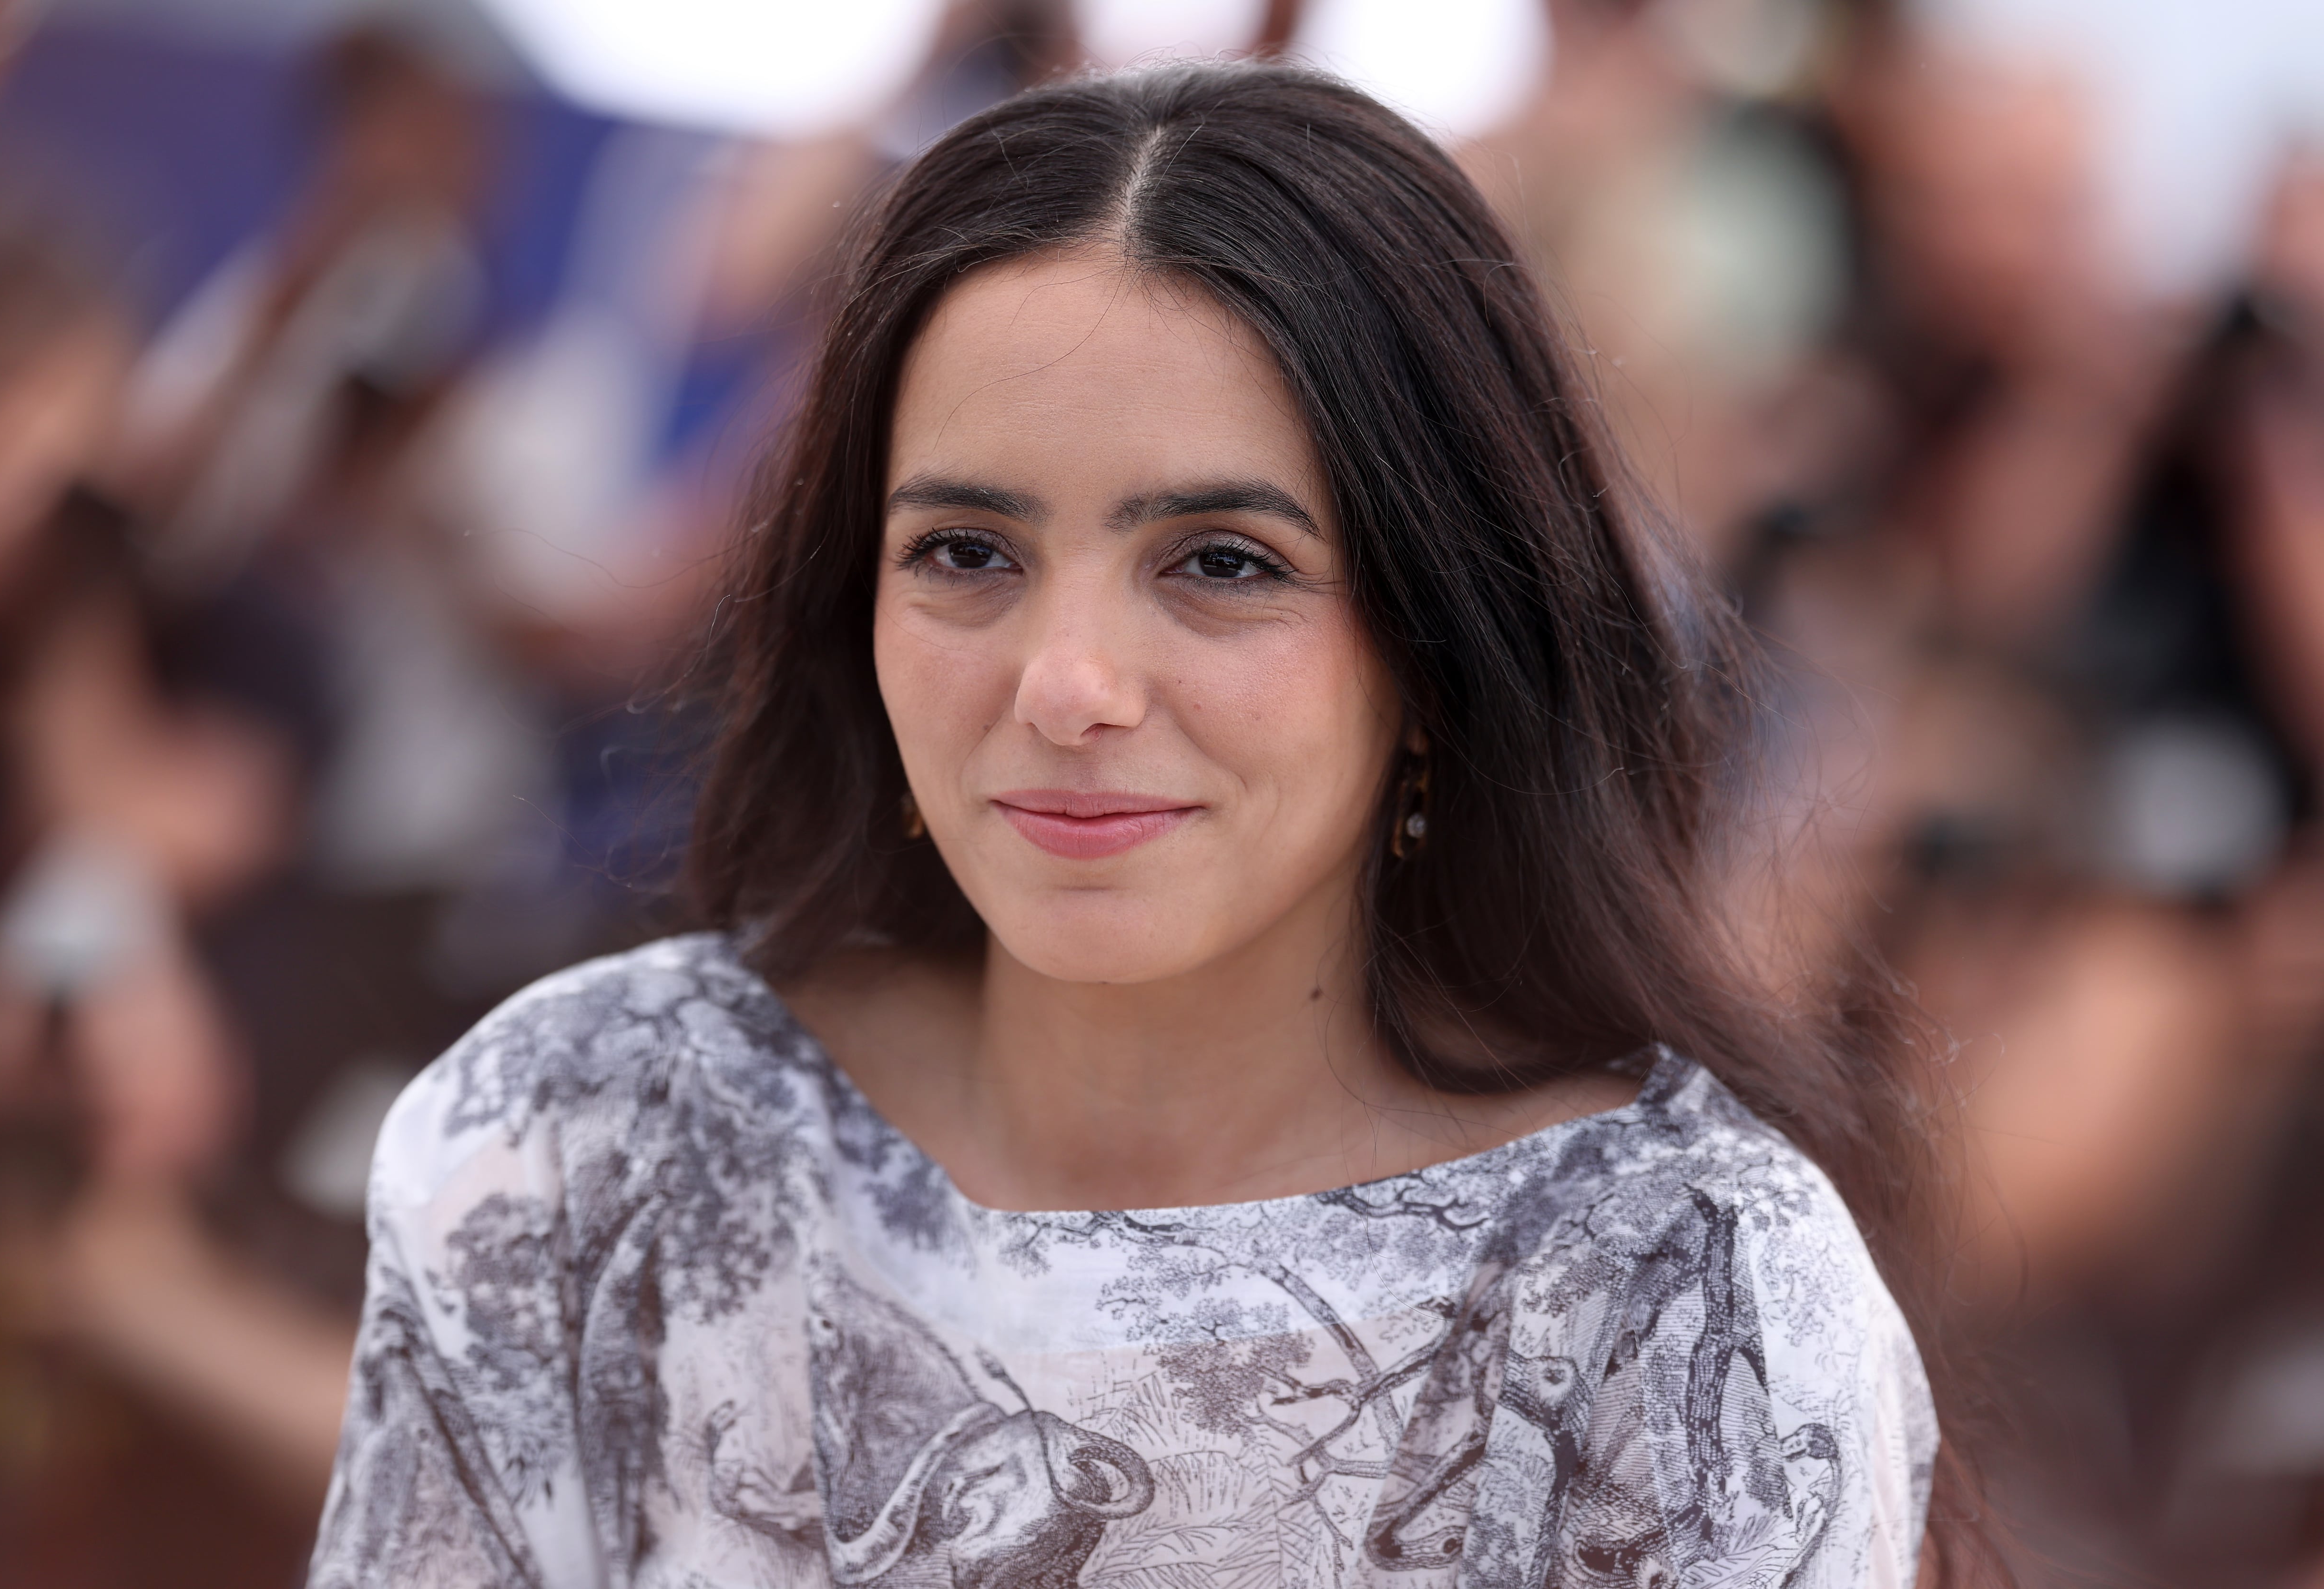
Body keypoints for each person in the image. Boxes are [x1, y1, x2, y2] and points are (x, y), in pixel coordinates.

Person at [310, 63, 1978, 1589]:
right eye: (968, 552)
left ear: (1439, 646)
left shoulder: (1683, 1297)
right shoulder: (585, 1139)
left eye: (1222, 563)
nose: (1069, 685)